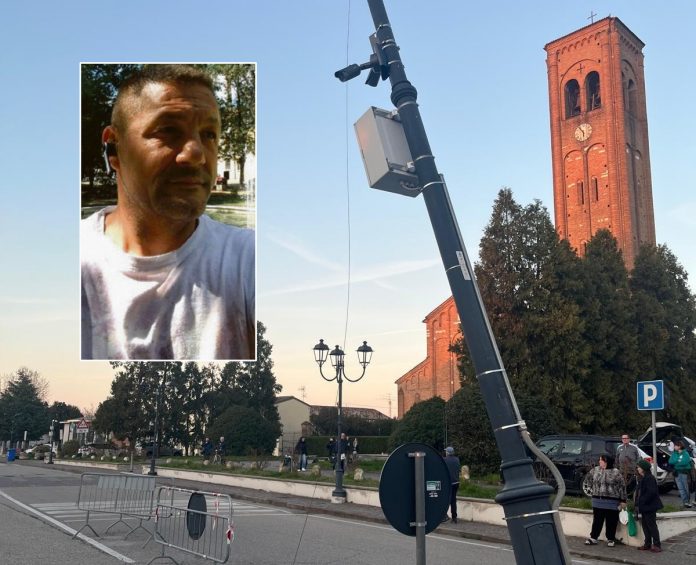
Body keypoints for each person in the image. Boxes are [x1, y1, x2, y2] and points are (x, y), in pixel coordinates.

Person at [81, 64, 255, 361]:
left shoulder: (247, 259)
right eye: (168, 131)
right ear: (113, 148)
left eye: (209, 134)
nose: (196, 154)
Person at [584, 454, 627, 547]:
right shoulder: (595, 470)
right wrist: (592, 491)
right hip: (597, 501)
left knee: (611, 521)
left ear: (607, 462)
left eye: (601, 460)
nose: (599, 461)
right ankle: (593, 537)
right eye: (599, 460)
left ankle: (610, 538)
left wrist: (623, 500)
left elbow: (622, 487)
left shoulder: (616, 472)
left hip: (612, 501)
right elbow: (588, 480)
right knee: (597, 520)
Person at [634, 459, 663, 553]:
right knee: (645, 526)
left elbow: (651, 493)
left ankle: (657, 545)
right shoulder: (642, 478)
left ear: (643, 468)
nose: (637, 469)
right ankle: (647, 544)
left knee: (651, 526)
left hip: (649, 506)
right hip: (644, 506)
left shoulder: (649, 478)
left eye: (639, 467)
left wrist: (642, 501)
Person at [668, 440, 693, 508]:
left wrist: (676, 462)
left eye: (675, 446)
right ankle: (685, 502)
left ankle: (687, 501)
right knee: (681, 488)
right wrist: (678, 460)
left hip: (684, 473)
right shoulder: (674, 453)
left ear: (679, 446)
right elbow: (670, 461)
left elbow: (685, 462)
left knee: (686, 488)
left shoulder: (685, 453)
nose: (674, 447)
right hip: (677, 473)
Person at [442, 446, 461, 524]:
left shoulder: (444, 460)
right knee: (453, 500)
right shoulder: (457, 459)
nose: (445, 453)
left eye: (446, 451)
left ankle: (444, 516)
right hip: (456, 483)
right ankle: (454, 518)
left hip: (448, 483)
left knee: (445, 500)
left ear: (448, 452)